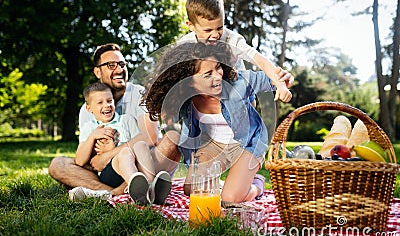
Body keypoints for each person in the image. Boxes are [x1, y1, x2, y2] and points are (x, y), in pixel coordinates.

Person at [141, 41, 292, 203]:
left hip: (247, 145)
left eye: (218, 67)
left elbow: (269, 78)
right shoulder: (186, 100)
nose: (218, 76)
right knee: (193, 189)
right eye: (208, 74)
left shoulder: (238, 83)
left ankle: (256, 185)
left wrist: (283, 83)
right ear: (189, 82)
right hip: (214, 145)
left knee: (230, 199)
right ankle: (231, 183)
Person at [48, 43, 181, 203]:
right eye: (111, 65)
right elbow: (85, 158)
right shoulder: (87, 108)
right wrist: (100, 157)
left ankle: (122, 189)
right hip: (107, 171)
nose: (119, 70)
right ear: (97, 71)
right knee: (58, 164)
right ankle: (116, 192)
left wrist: (109, 154)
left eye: (121, 64)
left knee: (173, 137)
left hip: (146, 162)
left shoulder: (141, 94)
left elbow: (151, 138)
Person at [179, 0, 293, 102]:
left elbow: (261, 61)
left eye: (219, 28)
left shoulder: (232, 40)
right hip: (211, 89)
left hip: (237, 82)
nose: (215, 35)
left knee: (248, 106)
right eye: (208, 30)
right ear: (191, 26)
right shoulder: (185, 45)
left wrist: (280, 85)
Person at [70, 82, 170, 205]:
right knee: (125, 152)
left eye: (109, 101)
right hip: (110, 174)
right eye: (100, 103)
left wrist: (112, 148)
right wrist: (93, 136)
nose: (107, 105)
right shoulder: (90, 128)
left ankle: (149, 187)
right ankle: (137, 188)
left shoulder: (126, 120)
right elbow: (79, 161)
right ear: (89, 108)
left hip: (134, 166)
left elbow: (139, 145)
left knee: (140, 145)